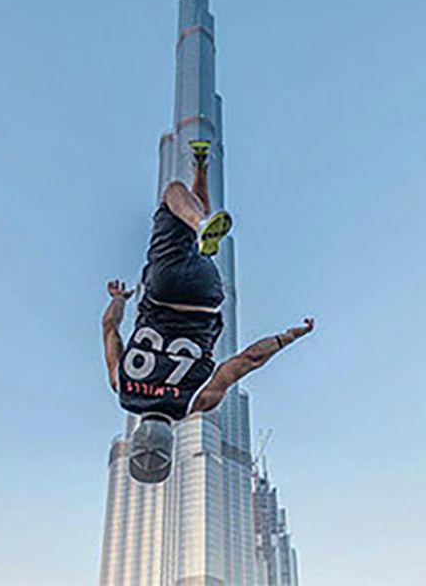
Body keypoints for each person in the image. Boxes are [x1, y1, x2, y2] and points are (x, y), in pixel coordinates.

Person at [102, 141, 315, 483]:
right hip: (163, 290)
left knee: (191, 225)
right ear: (136, 437)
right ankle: (201, 222)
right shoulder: (121, 385)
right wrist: (119, 299)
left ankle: (200, 172)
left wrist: (287, 337)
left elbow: (246, 361)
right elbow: (110, 328)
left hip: (206, 294)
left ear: (171, 443)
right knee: (172, 195)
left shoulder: (196, 402)